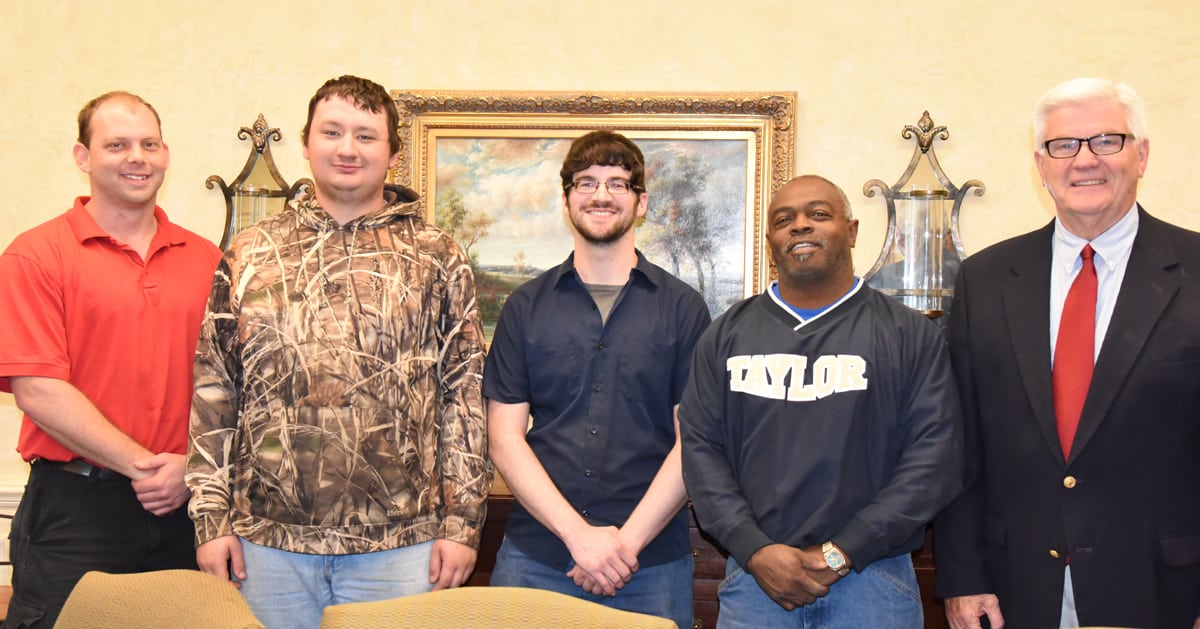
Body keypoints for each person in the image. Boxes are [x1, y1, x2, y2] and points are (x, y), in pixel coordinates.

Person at [187, 75, 490, 629]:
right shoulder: (250, 252)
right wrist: (212, 521)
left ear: (392, 155)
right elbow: (214, 392)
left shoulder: (436, 255)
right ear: (307, 142)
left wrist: (462, 523)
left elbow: (464, 397)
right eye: (332, 132)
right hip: (266, 547)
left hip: (402, 546)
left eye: (366, 136)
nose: (348, 148)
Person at [934, 77, 1200, 629]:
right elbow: (960, 443)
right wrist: (962, 576)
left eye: (1107, 140)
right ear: (1041, 163)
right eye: (1064, 145)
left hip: (1166, 588)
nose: (1084, 161)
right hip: (1014, 589)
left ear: (1142, 154)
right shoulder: (985, 279)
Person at [679, 174, 961, 628]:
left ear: (850, 231)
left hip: (875, 581)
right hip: (755, 584)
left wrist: (844, 550)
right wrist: (753, 548)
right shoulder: (725, 336)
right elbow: (701, 451)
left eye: (818, 215)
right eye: (784, 220)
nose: (800, 226)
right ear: (770, 240)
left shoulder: (909, 334)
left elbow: (934, 459)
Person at [0, 91, 221, 627]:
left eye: (149, 144)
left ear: (166, 153)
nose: (136, 157)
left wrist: (190, 471)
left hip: (186, 511)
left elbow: (229, 385)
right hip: (77, 509)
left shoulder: (209, 260)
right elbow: (38, 388)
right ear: (84, 157)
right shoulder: (35, 254)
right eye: (117, 144)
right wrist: (149, 469)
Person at [484, 130, 711, 629]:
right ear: (567, 200)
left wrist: (622, 546)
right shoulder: (525, 307)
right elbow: (503, 438)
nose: (601, 195)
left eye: (617, 183)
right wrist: (579, 537)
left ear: (641, 201)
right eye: (585, 183)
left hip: (648, 563)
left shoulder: (683, 308)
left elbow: (692, 442)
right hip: (537, 557)